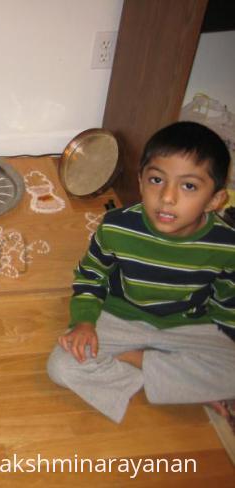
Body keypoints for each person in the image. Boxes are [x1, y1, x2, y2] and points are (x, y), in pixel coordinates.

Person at [47, 121, 235, 427]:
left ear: (215, 200)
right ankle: (174, 380)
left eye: (188, 186)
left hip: (188, 324)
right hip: (122, 317)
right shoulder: (116, 226)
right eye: (157, 180)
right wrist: (82, 323)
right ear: (140, 181)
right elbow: (90, 276)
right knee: (61, 367)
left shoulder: (227, 244)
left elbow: (228, 301)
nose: (167, 197)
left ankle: (136, 362)